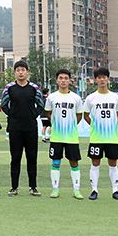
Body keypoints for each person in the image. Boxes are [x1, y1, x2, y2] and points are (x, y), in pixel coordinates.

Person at [0, 60, 43, 197]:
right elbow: (3, 104)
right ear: (15, 72)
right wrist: (12, 115)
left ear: (27, 72)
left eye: (23, 70)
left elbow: (41, 104)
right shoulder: (9, 88)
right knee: (15, 158)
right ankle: (14, 187)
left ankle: (33, 187)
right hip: (15, 128)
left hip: (31, 128)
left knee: (32, 158)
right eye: (18, 70)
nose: (20, 72)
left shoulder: (34, 88)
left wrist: (33, 115)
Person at [82, 67, 118, 201]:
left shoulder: (115, 97)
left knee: (113, 163)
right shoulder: (91, 98)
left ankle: (115, 191)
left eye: (104, 77)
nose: (102, 80)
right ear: (95, 80)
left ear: (108, 79)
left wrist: (112, 124)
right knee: (95, 163)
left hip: (111, 138)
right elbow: (86, 115)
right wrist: (95, 125)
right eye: (99, 77)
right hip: (96, 138)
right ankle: (94, 190)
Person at [45, 69, 84, 199]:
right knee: (56, 163)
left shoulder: (76, 98)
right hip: (56, 137)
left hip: (71, 137)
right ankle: (55, 189)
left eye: (66, 78)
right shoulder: (51, 97)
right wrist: (56, 124)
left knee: (74, 163)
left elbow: (79, 115)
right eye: (60, 78)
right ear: (57, 80)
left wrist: (70, 125)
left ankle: (76, 190)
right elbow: (48, 113)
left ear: (70, 80)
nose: (63, 80)